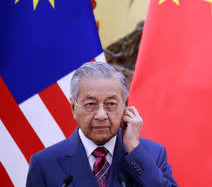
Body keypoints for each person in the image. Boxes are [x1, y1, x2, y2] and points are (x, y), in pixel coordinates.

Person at [26, 61, 178, 187]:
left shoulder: (151, 154)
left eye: (111, 104)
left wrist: (133, 148)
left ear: (124, 106)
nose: (101, 115)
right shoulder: (44, 165)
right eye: (91, 104)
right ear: (73, 107)